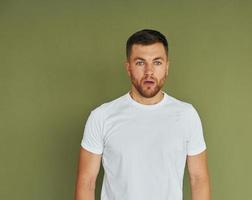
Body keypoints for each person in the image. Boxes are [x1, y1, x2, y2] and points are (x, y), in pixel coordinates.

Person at [75, 29, 211, 200]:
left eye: (157, 62)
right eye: (140, 63)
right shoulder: (101, 116)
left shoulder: (187, 115)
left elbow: (199, 180)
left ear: (167, 67)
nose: (149, 71)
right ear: (129, 68)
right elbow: (86, 182)